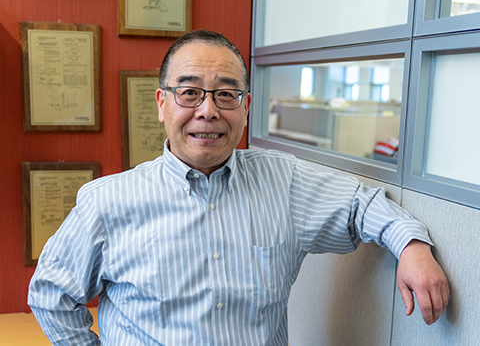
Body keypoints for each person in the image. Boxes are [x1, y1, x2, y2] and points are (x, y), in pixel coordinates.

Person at [28, 30, 449, 345]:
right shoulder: (107, 201)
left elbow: (363, 204)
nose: (208, 111)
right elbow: (51, 296)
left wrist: (411, 245)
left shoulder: (284, 182)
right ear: (161, 103)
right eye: (189, 93)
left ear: (245, 108)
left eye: (226, 95)